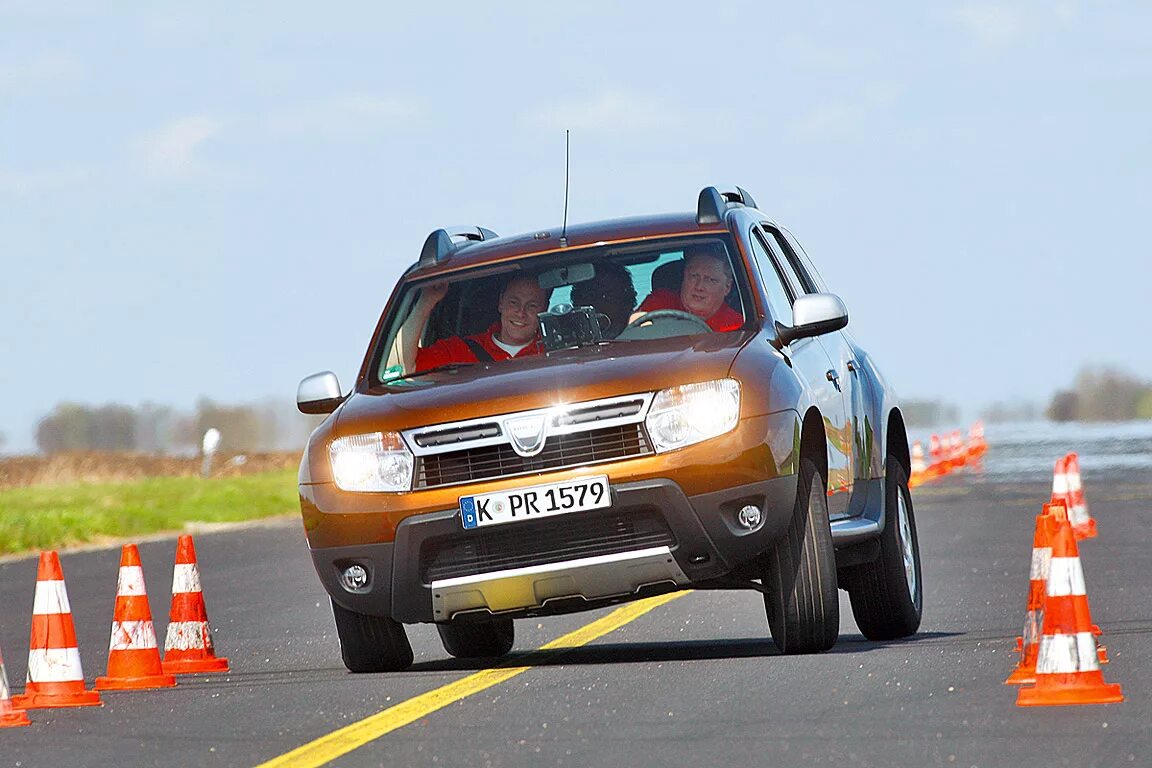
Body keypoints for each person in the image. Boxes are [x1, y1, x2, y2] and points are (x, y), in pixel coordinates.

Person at [398, 273, 550, 372]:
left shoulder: (556, 352)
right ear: (500, 303)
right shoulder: (458, 350)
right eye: (513, 302)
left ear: (544, 309)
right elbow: (402, 367)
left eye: (532, 306)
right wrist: (426, 301)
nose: (521, 312)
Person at [633, 244, 743, 331]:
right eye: (694, 276)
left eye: (710, 280)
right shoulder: (658, 303)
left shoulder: (738, 327)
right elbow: (630, 335)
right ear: (684, 277)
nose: (699, 286)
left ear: (727, 287)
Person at [569, 260, 637, 338]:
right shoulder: (573, 340)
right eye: (592, 296)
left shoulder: (644, 328)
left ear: (625, 297)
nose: (600, 303)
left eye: (609, 294)